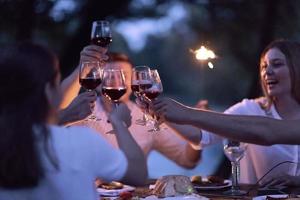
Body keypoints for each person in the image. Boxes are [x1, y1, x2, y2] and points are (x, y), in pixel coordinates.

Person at [0, 43, 147, 200]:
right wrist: (119, 123)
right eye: (58, 81)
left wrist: (63, 117)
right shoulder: (80, 141)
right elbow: (138, 174)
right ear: (48, 91)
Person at [152, 39, 300, 186]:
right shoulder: (249, 109)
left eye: (277, 64)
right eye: (264, 66)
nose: (267, 71)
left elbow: (267, 131)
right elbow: (201, 136)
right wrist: (158, 110)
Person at [61, 49, 201, 169]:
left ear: (134, 81)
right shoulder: (81, 111)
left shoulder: (147, 117)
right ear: (98, 82)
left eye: (124, 76)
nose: (117, 82)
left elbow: (187, 160)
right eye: (109, 76)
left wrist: (197, 127)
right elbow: (55, 115)